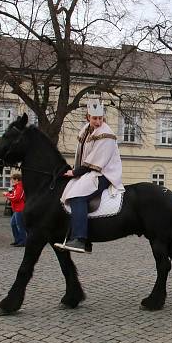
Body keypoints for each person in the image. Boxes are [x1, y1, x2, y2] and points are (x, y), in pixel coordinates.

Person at [56, 101, 124, 253]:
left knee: (77, 196)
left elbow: (96, 159)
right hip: (90, 171)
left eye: (100, 118)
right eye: (95, 118)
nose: (98, 122)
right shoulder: (86, 131)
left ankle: (80, 239)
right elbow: (81, 155)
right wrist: (75, 170)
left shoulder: (106, 133)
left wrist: (75, 172)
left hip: (104, 173)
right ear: (88, 117)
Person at [3, 173, 26, 246]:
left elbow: (16, 198)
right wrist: (9, 194)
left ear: (16, 179)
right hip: (16, 209)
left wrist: (7, 195)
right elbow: (13, 195)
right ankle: (18, 240)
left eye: (12, 180)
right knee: (13, 224)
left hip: (20, 209)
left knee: (20, 225)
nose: (11, 181)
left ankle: (23, 241)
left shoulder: (19, 187)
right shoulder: (16, 187)